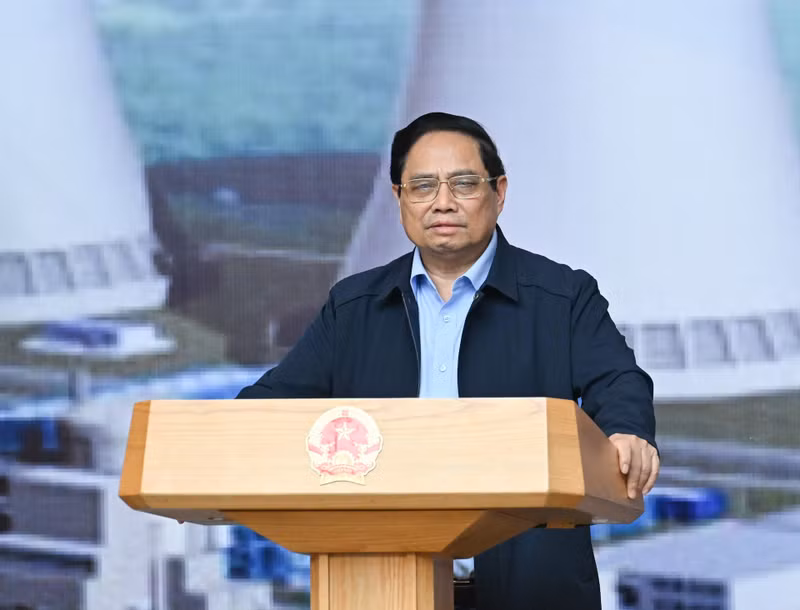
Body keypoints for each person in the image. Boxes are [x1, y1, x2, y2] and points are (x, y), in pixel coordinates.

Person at [237, 112, 659, 609]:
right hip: (381, 587)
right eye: (422, 186)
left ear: (498, 192)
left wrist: (627, 429)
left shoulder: (563, 296)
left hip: (532, 588)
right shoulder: (353, 307)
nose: (442, 202)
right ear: (398, 199)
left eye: (463, 184)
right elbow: (266, 409)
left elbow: (618, 379)